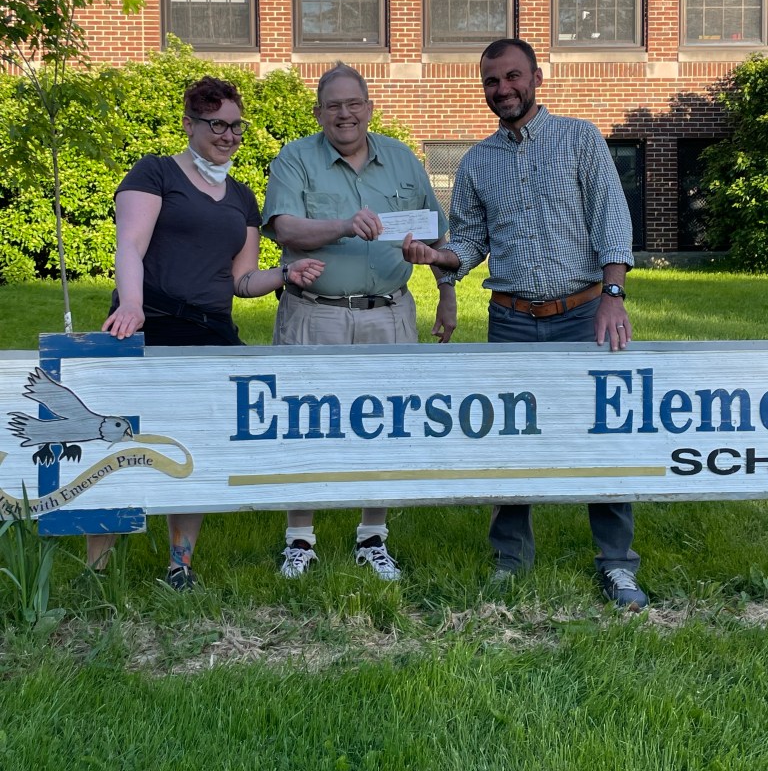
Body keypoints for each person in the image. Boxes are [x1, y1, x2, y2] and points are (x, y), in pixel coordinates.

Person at [402, 37, 648, 610]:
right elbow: (469, 239)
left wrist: (614, 293)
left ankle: (617, 564)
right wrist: (441, 258)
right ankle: (510, 560)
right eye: (491, 82)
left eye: (512, 77)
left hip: (584, 313)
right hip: (511, 320)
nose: (502, 90)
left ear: (538, 76)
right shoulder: (477, 161)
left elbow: (613, 218)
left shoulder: (580, 138)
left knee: (602, 439)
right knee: (507, 442)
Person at [93, 75, 324, 589]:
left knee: (189, 449)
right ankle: (97, 569)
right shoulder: (154, 173)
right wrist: (131, 306)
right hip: (150, 324)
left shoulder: (241, 197)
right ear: (189, 123)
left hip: (211, 336)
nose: (229, 136)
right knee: (117, 449)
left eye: (236, 127)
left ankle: (181, 565)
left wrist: (286, 274)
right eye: (217, 124)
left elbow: (242, 280)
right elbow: (129, 246)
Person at [262, 61, 456, 580]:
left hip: (388, 314)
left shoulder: (403, 160)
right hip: (314, 315)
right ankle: (299, 538)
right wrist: (344, 224)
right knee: (302, 425)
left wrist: (445, 291)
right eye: (333, 105)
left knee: (387, 425)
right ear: (319, 112)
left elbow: (434, 234)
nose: (344, 114)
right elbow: (283, 229)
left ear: (369, 108)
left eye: (354, 104)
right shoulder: (295, 159)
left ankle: (373, 537)